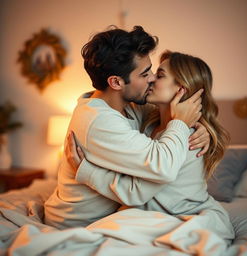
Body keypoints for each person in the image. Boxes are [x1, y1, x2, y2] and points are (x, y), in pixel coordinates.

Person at [44, 26, 208, 230]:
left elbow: (167, 117)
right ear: (116, 82)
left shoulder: (132, 107)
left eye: (155, 72)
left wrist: (199, 127)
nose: (151, 79)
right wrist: (181, 124)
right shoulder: (100, 121)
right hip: (77, 223)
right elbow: (161, 167)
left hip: (110, 217)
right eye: (145, 73)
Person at [65, 50, 235, 244]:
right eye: (149, 73)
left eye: (160, 75)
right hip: (147, 211)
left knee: (100, 236)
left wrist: (87, 172)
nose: (152, 79)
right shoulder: (149, 122)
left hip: (180, 213)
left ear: (182, 89)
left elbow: (135, 191)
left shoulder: (188, 138)